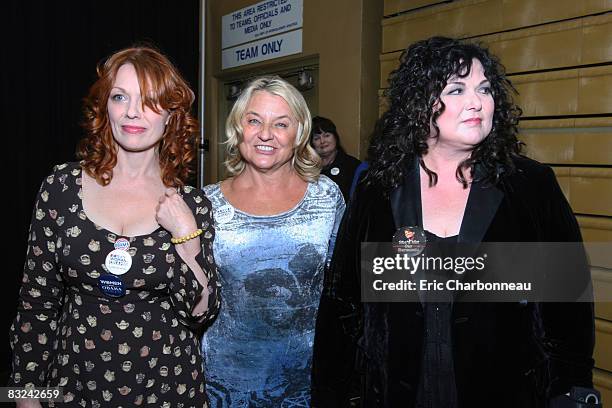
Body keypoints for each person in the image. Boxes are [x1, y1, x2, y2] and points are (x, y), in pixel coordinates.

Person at [312, 37, 595, 407]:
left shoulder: (530, 185)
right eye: (457, 89)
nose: (477, 102)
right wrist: (331, 394)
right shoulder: (376, 188)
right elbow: (343, 304)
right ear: (418, 103)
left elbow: (568, 302)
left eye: (485, 88)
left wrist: (570, 391)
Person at [9, 46, 220, 407]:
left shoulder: (192, 203)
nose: (132, 112)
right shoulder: (61, 187)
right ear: (105, 107)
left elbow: (201, 312)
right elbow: (35, 305)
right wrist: (24, 395)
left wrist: (187, 234)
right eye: (120, 97)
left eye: (150, 100)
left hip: (168, 388)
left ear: (171, 114)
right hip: (73, 387)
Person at [201, 76, 345, 407]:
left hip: (308, 381)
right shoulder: (206, 204)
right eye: (254, 120)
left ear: (299, 134)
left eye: (281, 124)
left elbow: (343, 286)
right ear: (238, 128)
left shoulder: (326, 197)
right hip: (224, 384)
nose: (266, 134)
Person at [310, 116, 361, 203]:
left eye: (327, 135)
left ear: (335, 138)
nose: (322, 141)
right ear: (312, 144)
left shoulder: (353, 166)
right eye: (316, 138)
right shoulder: (306, 167)